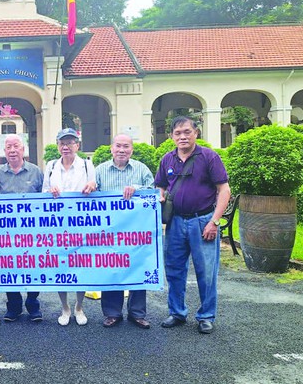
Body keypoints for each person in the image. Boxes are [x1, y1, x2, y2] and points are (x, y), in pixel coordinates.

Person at [155, 116, 230, 334]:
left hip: (203, 221)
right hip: (176, 222)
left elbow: (224, 190)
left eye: (187, 131)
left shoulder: (209, 157)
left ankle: (206, 316)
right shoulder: (167, 160)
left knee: (206, 271)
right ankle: (177, 312)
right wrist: (161, 199)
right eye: (177, 133)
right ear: (171, 136)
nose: (182, 136)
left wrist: (214, 222)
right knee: (174, 270)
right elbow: (160, 187)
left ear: (196, 133)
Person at [95, 133, 155, 329]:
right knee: (111, 268)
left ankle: (137, 313)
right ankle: (112, 313)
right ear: (111, 148)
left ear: (132, 149)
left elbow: (153, 192)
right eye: (118, 146)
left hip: (136, 232)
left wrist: (137, 189)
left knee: (138, 267)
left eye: (126, 146)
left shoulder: (141, 169)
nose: (122, 150)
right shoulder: (100, 170)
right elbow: (92, 194)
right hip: (109, 232)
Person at [42, 127, 97, 326]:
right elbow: (42, 194)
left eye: (70, 142)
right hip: (57, 225)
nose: (66, 147)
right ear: (58, 146)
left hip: (80, 225)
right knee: (61, 266)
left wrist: (92, 187)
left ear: (77, 145)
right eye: (62, 143)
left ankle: (79, 306)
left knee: (80, 265)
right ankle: (65, 307)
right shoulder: (50, 166)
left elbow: (94, 185)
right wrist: (50, 190)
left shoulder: (87, 165)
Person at [0, 134, 44, 322]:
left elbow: (45, 199)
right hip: (7, 233)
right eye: (9, 147)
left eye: (16, 146)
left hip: (32, 232)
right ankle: (13, 306)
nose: (13, 150)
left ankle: (33, 305)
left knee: (33, 267)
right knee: (9, 268)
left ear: (23, 149)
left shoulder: (36, 172)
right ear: (5, 151)